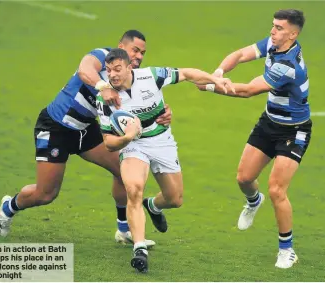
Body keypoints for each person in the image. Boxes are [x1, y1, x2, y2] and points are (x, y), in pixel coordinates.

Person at [0, 30, 173, 248]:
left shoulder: (130, 75)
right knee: (46, 194)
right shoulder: (101, 55)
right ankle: (9, 207)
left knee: (123, 169)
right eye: (135, 50)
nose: (139, 56)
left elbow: (143, 103)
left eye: (142, 53)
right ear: (121, 46)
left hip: (87, 130)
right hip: (57, 128)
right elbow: (84, 70)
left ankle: (124, 229)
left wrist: (163, 114)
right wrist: (103, 86)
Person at [96, 48, 230, 273]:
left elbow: (186, 73)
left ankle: (153, 206)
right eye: (109, 71)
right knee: (134, 188)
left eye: (118, 69)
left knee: (175, 198)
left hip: (161, 141)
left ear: (130, 67)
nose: (113, 75)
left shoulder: (151, 76)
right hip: (132, 146)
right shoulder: (105, 98)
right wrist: (128, 137)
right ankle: (139, 248)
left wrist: (213, 79)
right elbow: (109, 142)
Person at [198, 9, 311, 269]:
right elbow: (239, 55)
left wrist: (210, 86)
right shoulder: (273, 44)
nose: (273, 31)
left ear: (293, 34)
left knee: (276, 190)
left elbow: (248, 90)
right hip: (269, 122)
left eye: (279, 28)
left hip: (294, 130)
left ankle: (287, 250)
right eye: (273, 26)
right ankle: (253, 201)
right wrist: (217, 72)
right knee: (244, 178)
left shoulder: (288, 65)